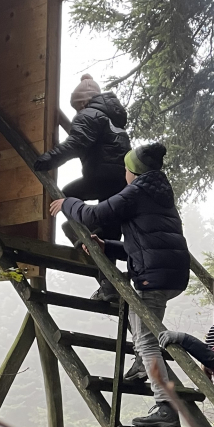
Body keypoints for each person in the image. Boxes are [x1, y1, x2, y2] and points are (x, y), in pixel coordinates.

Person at [50, 142, 190, 427]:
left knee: (146, 341)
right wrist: (108, 246)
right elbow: (143, 246)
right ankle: (144, 366)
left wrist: (67, 203)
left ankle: (165, 408)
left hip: (154, 278)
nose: (124, 173)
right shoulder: (160, 194)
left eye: (126, 168)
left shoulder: (136, 191)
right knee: (145, 336)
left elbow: (93, 216)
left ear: (133, 172)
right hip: (172, 274)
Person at [33, 74, 130, 301]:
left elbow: (75, 144)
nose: (76, 112)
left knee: (65, 197)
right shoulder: (113, 121)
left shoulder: (88, 114)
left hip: (100, 176)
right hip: (121, 180)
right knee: (109, 231)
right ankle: (109, 286)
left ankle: (85, 238)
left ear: (83, 102)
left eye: (77, 107)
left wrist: (47, 160)